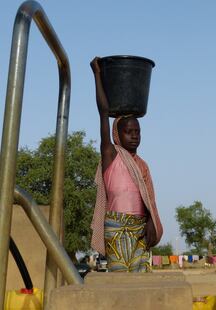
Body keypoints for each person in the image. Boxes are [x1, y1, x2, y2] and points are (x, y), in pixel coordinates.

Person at [90, 57, 163, 272]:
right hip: (116, 225)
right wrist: (97, 74)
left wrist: (150, 222)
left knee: (141, 278)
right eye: (128, 132)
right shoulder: (111, 155)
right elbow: (104, 112)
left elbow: (149, 200)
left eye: (137, 131)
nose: (134, 136)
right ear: (117, 134)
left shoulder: (142, 165)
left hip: (140, 226)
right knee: (120, 276)